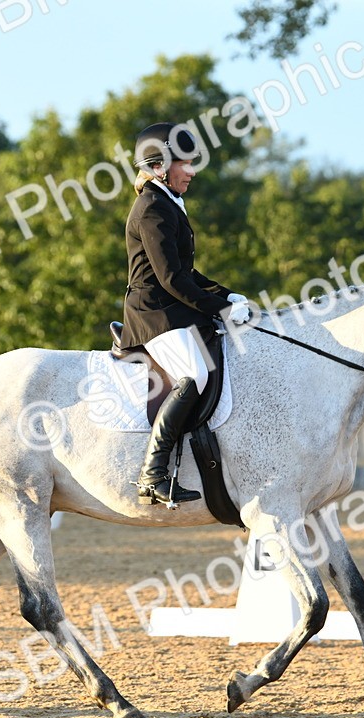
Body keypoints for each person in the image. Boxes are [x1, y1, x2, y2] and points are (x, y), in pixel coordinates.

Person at [120, 122, 251, 507]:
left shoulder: (166, 202)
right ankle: (152, 473)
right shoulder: (151, 208)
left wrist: (226, 294)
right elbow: (171, 279)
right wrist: (222, 310)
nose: (192, 172)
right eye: (185, 164)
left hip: (171, 310)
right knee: (195, 373)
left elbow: (187, 273)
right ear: (159, 166)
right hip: (154, 314)